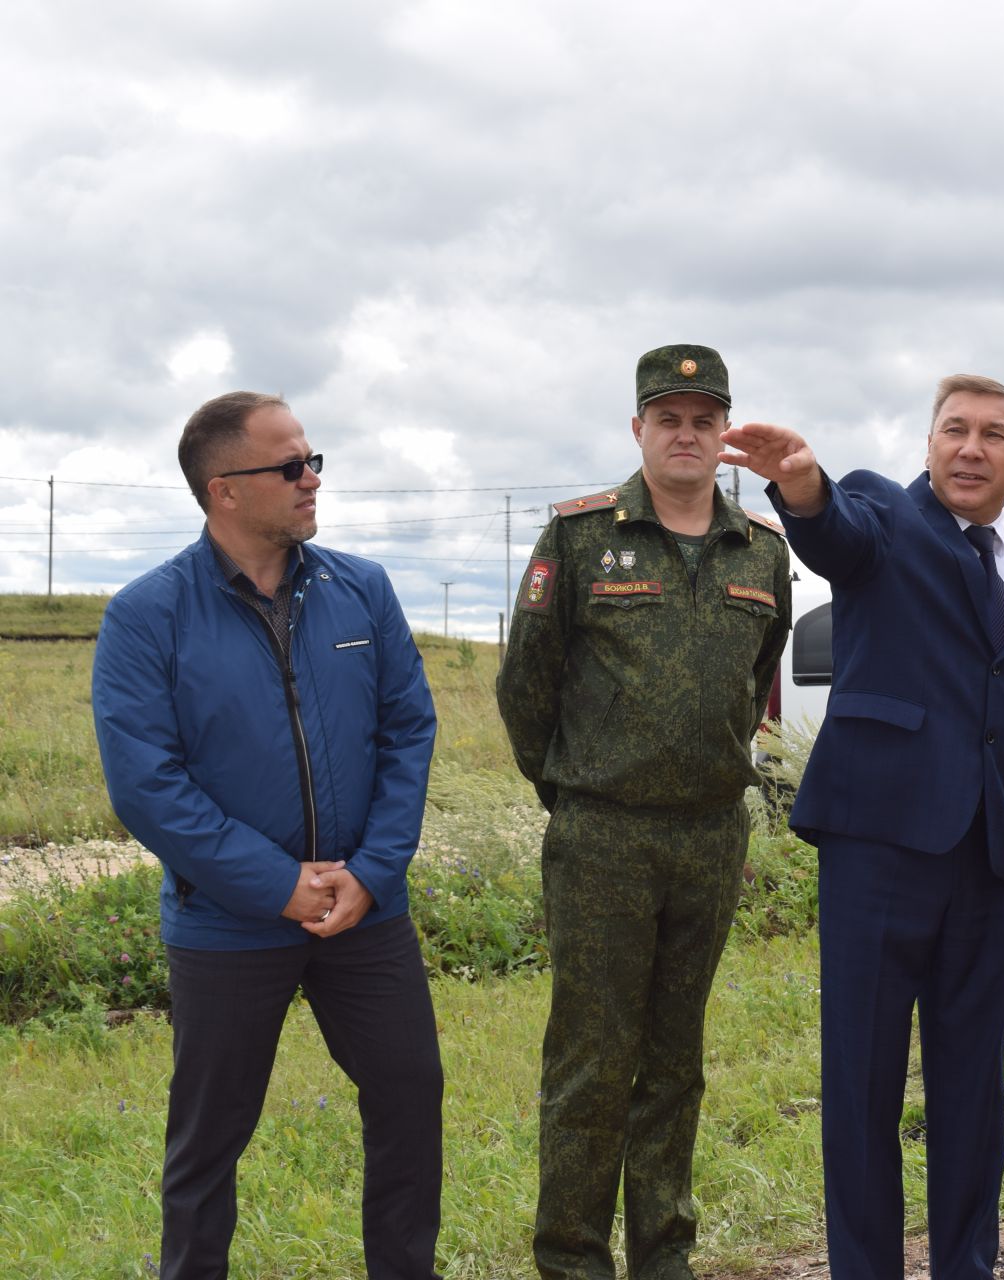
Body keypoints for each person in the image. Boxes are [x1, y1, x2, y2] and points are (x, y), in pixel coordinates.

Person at [717, 374, 1004, 1280]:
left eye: (994, 435)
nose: (971, 449)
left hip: (988, 859)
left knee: (971, 1092)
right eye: (954, 430)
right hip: (879, 850)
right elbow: (837, 534)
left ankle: (967, 1268)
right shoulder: (883, 513)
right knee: (864, 1090)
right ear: (927, 446)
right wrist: (802, 486)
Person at [92, 391, 443, 1280]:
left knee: (409, 1097)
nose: (311, 478)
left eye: (314, 458)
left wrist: (370, 871)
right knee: (209, 1138)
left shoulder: (362, 588)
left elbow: (409, 730)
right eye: (289, 466)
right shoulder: (147, 615)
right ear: (225, 491)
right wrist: (276, 883)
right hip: (227, 922)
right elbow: (147, 785)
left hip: (367, 913)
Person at [496, 344, 791, 1280]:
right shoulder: (582, 539)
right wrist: (576, 793)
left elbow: (756, 686)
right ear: (639, 429)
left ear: (725, 436)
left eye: (706, 420)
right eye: (669, 418)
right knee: (591, 1066)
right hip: (603, 837)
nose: (687, 435)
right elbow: (525, 688)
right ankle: (573, 1260)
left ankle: (665, 1255)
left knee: (675, 1064)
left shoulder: (764, 552)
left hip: (709, 836)